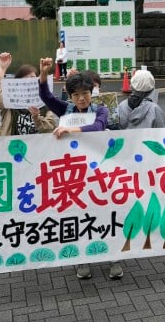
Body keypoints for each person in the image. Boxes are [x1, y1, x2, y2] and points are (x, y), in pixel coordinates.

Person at [37, 57, 118, 280]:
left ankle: (113, 256)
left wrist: (71, 131)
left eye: (85, 93)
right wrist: (44, 74)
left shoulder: (101, 110)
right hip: (74, 174)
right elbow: (46, 97)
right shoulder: (66, 110)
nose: (81, 98)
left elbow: (98, 127)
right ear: (71, 96)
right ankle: (83, 259)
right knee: (79, 215)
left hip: (100, 173)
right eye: (76, 95)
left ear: (92, 92)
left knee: (105, 214)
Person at [0, 52, 57, 136]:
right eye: (24, 79)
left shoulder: (44, 103)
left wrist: (36, 117)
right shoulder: (11, 101)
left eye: (32, 78)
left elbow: (50, 129)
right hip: (13, 147)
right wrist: (2, 68)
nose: (28, 82)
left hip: (38, 147)